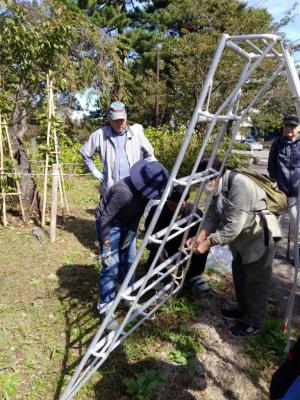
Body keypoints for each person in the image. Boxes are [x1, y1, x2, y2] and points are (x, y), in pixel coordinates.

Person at [186, 158, 281, 337]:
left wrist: (207, 243)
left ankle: (254, 321)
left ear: (212, 177)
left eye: (200, 181)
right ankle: (243, 309)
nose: (200, 186)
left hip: (257, 235)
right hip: (240, 238)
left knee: (255, 281)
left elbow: (232, 227)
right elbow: (213, 215)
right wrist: (199, 237)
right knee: (239, 274)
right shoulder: (218, 186)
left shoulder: (239, 186)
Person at [96, 159, 169, 329]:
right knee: (111, 265)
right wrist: (106, 246)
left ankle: (126, 297)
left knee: (129, 260)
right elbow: (103, 219)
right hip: (110, 224)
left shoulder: (144, 194)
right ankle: (105, 307)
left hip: (127, 223)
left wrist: (130, 234)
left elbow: (138, 214)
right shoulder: (124, 192)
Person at [80, 101, 156, 200]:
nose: (120, 123)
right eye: (116, 120)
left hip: (133, 189)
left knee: (130, 215)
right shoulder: (99, 135)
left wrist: (146, 173)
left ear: (126, 117)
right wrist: (94, 170)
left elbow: (150, 155)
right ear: (109, 119)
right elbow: (85, 153)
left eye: (122, 120)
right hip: (110, 190)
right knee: (107, 215)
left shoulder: (136, 134)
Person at [145, 185, 209, 292]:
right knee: (157, 255)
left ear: (186, 202)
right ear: (166, 201)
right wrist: (158, 249)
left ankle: (193, 275)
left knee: (203, 245)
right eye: (171, 205)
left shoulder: (195, 213)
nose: (175, 209)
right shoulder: (156, 211)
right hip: (163, 248)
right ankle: (156, 277)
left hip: (184, 248)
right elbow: (149, 236)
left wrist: (192, 244)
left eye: (180, 206)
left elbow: (197, 236)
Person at [268, 113, 300, 255]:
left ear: (298, 128)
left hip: (297, 191)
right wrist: (274, 182)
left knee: (296, 221)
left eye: (293, 126)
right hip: (280, 190)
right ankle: (269, 249)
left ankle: (297, 251)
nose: (289, 128)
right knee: (275, 220)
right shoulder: (277, 144)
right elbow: (271, 166)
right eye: (287, 125)